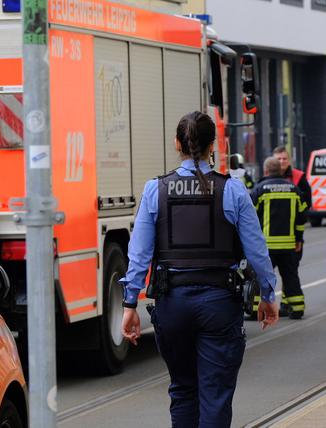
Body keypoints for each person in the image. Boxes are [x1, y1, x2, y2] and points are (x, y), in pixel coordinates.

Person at [119, 111, 280, 428]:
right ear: (213, 146)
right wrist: (268, 295)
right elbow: (257, 251)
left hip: (172, 304)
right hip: (219, 304)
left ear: (177, 144)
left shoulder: (155, 190)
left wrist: (129, 304)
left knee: (182, 390)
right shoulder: (232, 190)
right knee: (215, 394)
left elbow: (138, 254)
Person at [252, 156, 308, 319]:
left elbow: (250, 218)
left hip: (265, 247)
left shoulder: (260, 190)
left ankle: (256, 310)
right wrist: (298, 239)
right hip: (288, 245)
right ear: (281, 170)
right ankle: (297, 308)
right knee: (290, 277)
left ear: (266, 171)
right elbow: (302, 217)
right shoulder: (294, 189)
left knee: (261, 278)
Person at [273, 146, 312, 211]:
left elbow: (307, 200)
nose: (282, 161)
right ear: (273, 161)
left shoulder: (299, 176)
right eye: (278, 159)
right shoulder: (268, 177)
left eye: (284, 159)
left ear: (289, 161)